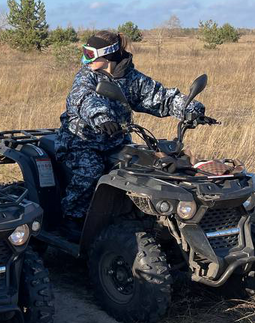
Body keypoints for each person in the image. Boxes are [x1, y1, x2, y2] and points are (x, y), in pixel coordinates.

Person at [56, 30, 205, 239]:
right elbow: (83, 98)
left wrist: (190, 108)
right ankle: (72, 218)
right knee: (90, 169)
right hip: (81, 142)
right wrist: (102, 117)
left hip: (117, 142)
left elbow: (159, 97)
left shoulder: (132, 79)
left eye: (89, 54)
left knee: (149, 167)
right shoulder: (86, 76)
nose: (84, 59)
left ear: (107, 55)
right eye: (84, 53)